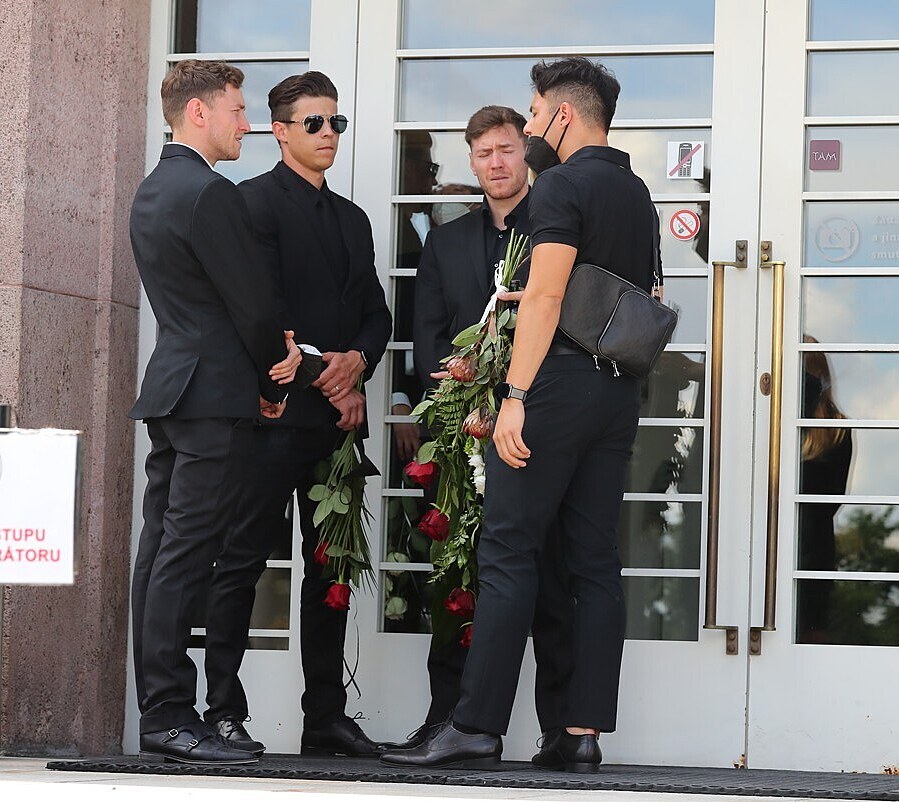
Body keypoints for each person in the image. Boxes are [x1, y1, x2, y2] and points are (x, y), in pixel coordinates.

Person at [382, 56, 660, 772]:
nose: (531, 126)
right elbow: (639, 292)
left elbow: (545, 294)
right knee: (592, 561)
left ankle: (475, 725)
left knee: (507, 553)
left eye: (533, 113)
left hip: (555, 387)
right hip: (615, 392)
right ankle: (580, 733)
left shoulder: (562, 183)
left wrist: (514, 396)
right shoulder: (634, 190)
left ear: (562, 115)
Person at [201, 71, 392, 758]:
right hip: (270, 418)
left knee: (331, 571)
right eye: (314, 122)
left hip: (333, 430)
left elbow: (375, 312)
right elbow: (261, 312)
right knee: (240, 562)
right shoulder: (250, 204)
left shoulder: (354, 219)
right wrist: (328, 378)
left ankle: (325, 717)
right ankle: (222, 711)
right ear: (280, 131)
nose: (328, 134)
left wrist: (358, 361)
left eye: (336, 122)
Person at [129, 59, 301, 766]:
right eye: (237, 109)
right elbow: (250, 304)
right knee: (187, 551)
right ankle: (170, 715)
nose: (247, 123)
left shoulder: (152, 189)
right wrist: (274, 371)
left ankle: (161, 708)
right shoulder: (210, 193)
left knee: (161, 551)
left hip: (176, 389)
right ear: (197, 112)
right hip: (212, 395)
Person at [386, 105, 574, 751]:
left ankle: (560, 729)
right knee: (455, 573)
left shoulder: (555, 229)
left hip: (538, 425)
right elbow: (427, 336)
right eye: (483, 153)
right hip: (463, 426)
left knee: (551, 573)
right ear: (471, 160)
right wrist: (460, 389)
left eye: (506, 150)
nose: (495, 163)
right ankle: (448, 719)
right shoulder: (446, 241)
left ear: (525, 153)